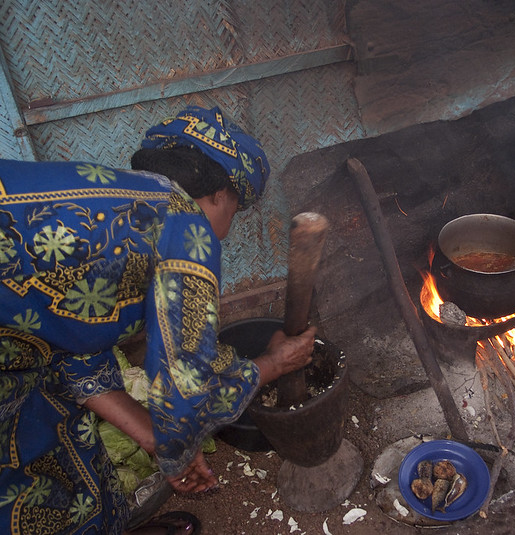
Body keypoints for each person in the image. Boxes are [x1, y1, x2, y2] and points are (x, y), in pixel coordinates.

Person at [0, 106, 316, 534]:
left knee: (43, 455)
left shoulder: (112, 198)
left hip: (17, 354)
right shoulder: (184, 224)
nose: (224, 229)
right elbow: (189, 386)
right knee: (33, 499)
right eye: (236, 211)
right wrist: (275, 364)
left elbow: (72, 352)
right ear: (221, 193)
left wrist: (161, 441)